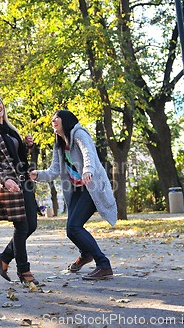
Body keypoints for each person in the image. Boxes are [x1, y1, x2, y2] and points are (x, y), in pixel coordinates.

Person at [30, 110, 117, 280]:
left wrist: (87, 170)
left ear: (66, 120)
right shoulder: (59, 144)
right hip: (78, 189)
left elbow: (88, 153)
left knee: (75, 226)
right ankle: (86, 254)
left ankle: (103, 265)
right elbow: (54, 170)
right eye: (52, 119)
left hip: (92, 187)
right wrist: (37, 175)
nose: (53, 121)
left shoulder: (79, 133)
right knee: (71, 230)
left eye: (56, 118)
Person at [0, 94, 39, 285]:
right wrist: (4, 180)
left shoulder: (11, 129)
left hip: (24, 181)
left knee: (32, 225)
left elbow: (17, 156)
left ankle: (5, 257)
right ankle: (24, 271)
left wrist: (27, 146)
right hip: (9, 183)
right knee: (22, 227)